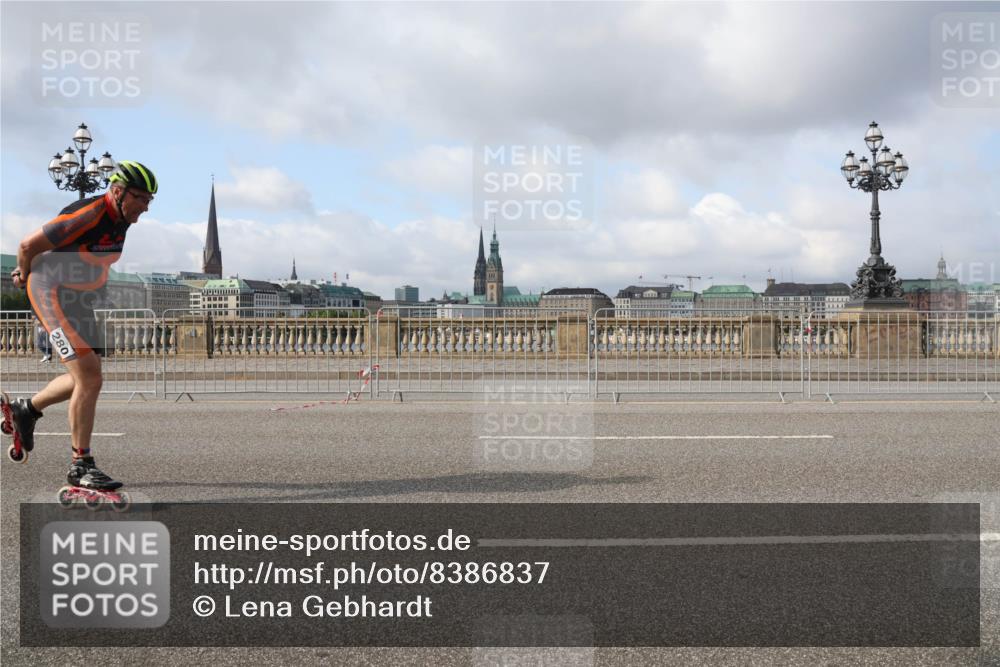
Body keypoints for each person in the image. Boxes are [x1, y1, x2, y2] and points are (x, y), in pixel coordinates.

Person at [8, 161, 157, 490]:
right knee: (89, 376)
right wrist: (22, 273)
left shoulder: (122, 217)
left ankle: (27, 409)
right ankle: (80, 465)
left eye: (150, 200)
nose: (145, 207)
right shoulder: (89, 214)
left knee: (87, 375)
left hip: (78, 299)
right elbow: (26, 246)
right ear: (117, 192)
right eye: (141, 199)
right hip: (50, 294)